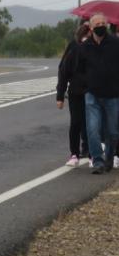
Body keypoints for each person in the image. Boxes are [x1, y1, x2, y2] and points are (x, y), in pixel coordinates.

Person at [75, 13, 119, 174]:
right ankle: (98, 161)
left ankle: (109, 157)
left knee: (113, 131)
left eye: (103, 23)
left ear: (106, 25)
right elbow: (78, 69)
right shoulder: (85, 47)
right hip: (92, 94)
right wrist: (87, 84)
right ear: (91, 27)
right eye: (97, 23)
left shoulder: (115, 43)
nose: (100, 25)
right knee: (92, 129)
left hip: (113, 95)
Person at [56, 22, 90, 166]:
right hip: (76, 91)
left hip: (94, 91)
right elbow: (63, 70)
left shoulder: (98, 48)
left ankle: (89, 151)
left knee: (90, 123)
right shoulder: (73, 47)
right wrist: (60, 95)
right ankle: (74, 153)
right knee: (76, 122)